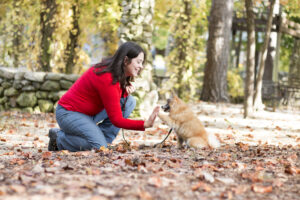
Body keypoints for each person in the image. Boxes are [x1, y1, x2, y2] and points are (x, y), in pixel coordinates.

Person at [48, 41, 160, 152]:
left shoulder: (116, 74)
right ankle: (58, 138)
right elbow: (117, 120)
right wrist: (145, 124)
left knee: (129, 101)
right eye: (139, 62)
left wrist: (123, 91)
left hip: (89, 114)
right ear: (126, 60)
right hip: (69, 113)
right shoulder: (107, 77)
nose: (141, 66)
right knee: (98, 146)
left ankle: (104, 140)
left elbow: (112, 99)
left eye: (142, 62)